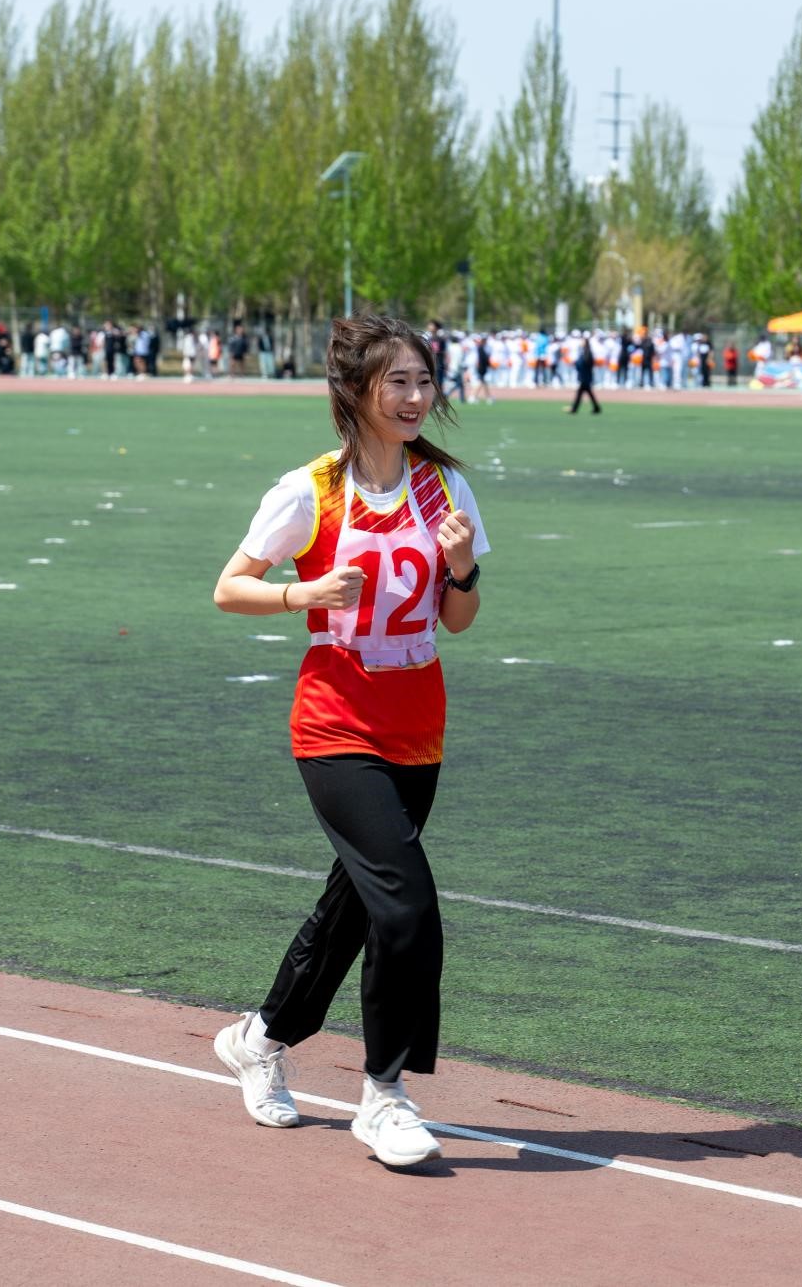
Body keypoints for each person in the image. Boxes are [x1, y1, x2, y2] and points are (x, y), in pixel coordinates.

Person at [212, 311, 489, 1169]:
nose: (414, 397)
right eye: (396, 381)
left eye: (423, 380)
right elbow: (229, 588)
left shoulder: (444, 487)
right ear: (356, 390)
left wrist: (461, 569)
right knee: (406, 906)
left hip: (417, 723)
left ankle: (260, 1037)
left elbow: (459, 620)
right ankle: (385, 1095)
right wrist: (303, 594)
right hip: (334, 721)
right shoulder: (310, 490)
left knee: (354, 907)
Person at [568, 335, 601, 414]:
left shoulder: (586, 352)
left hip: (584, 376)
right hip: (586, 376)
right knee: (587, 393)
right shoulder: (586, 352)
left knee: (580, 393)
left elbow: (583, 364)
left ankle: (574, 409)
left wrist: (576, 363)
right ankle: (596, 407)